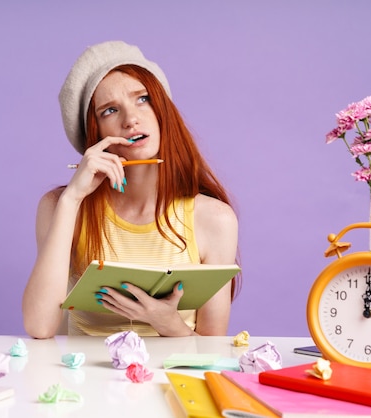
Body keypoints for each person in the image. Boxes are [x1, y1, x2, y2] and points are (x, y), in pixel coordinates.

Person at [22, 40, 239, 339]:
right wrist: (72, 199)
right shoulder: (59, 205)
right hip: (85, 382)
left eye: (143, 99)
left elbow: (214, 349)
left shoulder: (215, 219)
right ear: (94, 133)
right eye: (110, 110)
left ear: (163, 109)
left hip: (171, 380)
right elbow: (39, 326)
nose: (130, 119)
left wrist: (169, 324)